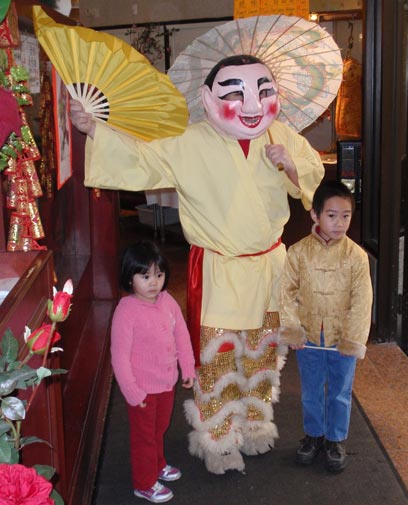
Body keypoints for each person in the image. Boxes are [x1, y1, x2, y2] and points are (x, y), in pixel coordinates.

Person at [70, 54, 325, 474]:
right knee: (219, 357)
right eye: (235, 93)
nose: (252, 105)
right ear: (207, 99)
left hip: (269, 268)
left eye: (264, 91)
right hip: (219, 269)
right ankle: (219, 438)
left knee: (262, 353)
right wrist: (94, 128)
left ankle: (257, 423)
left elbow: (313, 187)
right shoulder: (189, 141)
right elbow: (141, 158)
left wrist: (292, 167)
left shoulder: (283, 135)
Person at [279, 180, 373, 473]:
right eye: (331, 215)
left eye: (346, 215)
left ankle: (335, 439)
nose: (339, 222)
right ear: (315, 215)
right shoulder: (297, 252)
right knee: (310, 390)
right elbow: (285, 294)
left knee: (340, 391)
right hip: (308, 338)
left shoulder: (356, 256)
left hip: (340, 336)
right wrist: (292, 329)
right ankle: (314, 434)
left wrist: (353, 338)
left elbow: (362, 301)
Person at [111, 241, 196, 503]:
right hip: (142, 389)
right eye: (145, 276)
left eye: (158, 275)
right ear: (129, 277)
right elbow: (119, 358)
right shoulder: (126, 311)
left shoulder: (168, 301)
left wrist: (188, 366)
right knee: (144, 438)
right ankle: (144, 482)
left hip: (166, 382)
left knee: (160, 429)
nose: (153, 282)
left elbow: (181, 335)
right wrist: (132, 391)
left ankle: (157, 465)